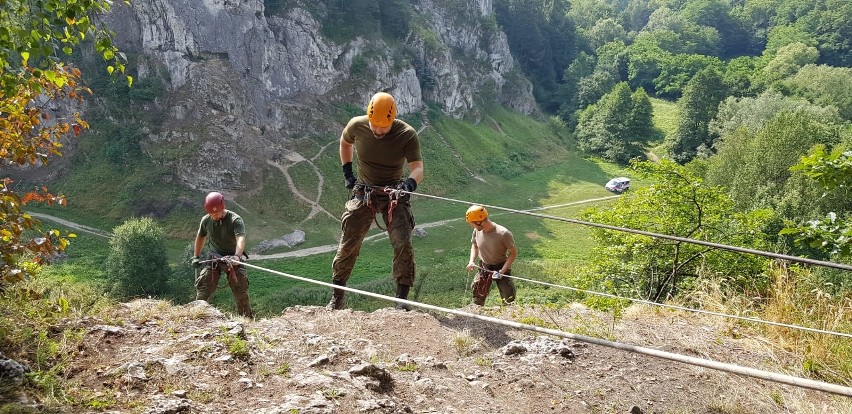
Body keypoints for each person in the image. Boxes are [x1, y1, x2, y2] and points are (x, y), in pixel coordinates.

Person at [328, 91, 424, 311]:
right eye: (375, 126)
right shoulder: (357, 126)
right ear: (368, 118)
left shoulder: (407, 134)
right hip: (366, 190)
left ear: (392, 120)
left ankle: (401, 299)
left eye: (384, 127)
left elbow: (417, 167)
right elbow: (345, 142)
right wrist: (347, 174)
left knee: (403, 243)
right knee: (348, 243)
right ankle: (337, 295)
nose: (379, 131)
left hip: (394, 192)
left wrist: (409, 185)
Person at [191, 192, 253, 318]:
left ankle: (247, 319)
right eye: (212, 214)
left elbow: (240, 239)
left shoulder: (235, 220)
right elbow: (200, 237)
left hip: (233, 258)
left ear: (223, 207)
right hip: (215, 257)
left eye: (217, 213)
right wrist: (196, 256)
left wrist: (237, 256)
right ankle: (196, 316)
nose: (214, 216)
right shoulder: (206, 220)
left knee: (240, 291)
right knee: (203, 288)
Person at [464, 205, 518, 306]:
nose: (472, 226)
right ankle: (477, 311)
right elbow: (475, 246)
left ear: (479, 222)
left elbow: (513, 253)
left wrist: (502, 272)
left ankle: (508, 313)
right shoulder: (477, 231)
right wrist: (471, 261)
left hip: (501, 266)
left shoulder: (503, 234)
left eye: (472, 224)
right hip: (484, 265)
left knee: (508, 295)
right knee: (477, 291)